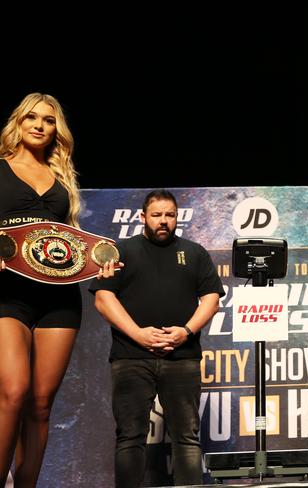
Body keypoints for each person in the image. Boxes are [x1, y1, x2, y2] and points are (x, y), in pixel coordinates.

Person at [0, 92, 113, 486]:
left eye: (48, 120)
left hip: (58, 299)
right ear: (18, 122)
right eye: (31, 117)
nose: (39, 125)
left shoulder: (63, 179)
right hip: (6, 295)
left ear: (56, 131)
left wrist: (99, 262)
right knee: (13, 393)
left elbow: (70, 239)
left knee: (41, 406)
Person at [89, 189, 224, 487]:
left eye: (170, 215)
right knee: (129, 437)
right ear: (142, 217)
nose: (163, 221)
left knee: (187, 438)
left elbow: (212, 299)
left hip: (182, 357)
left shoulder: (194, 252)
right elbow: (102, 298)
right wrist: (139, 334)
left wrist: (185, 332)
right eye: (156, 215)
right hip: (130, 357)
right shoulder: (120, 251)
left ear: (177, 218)